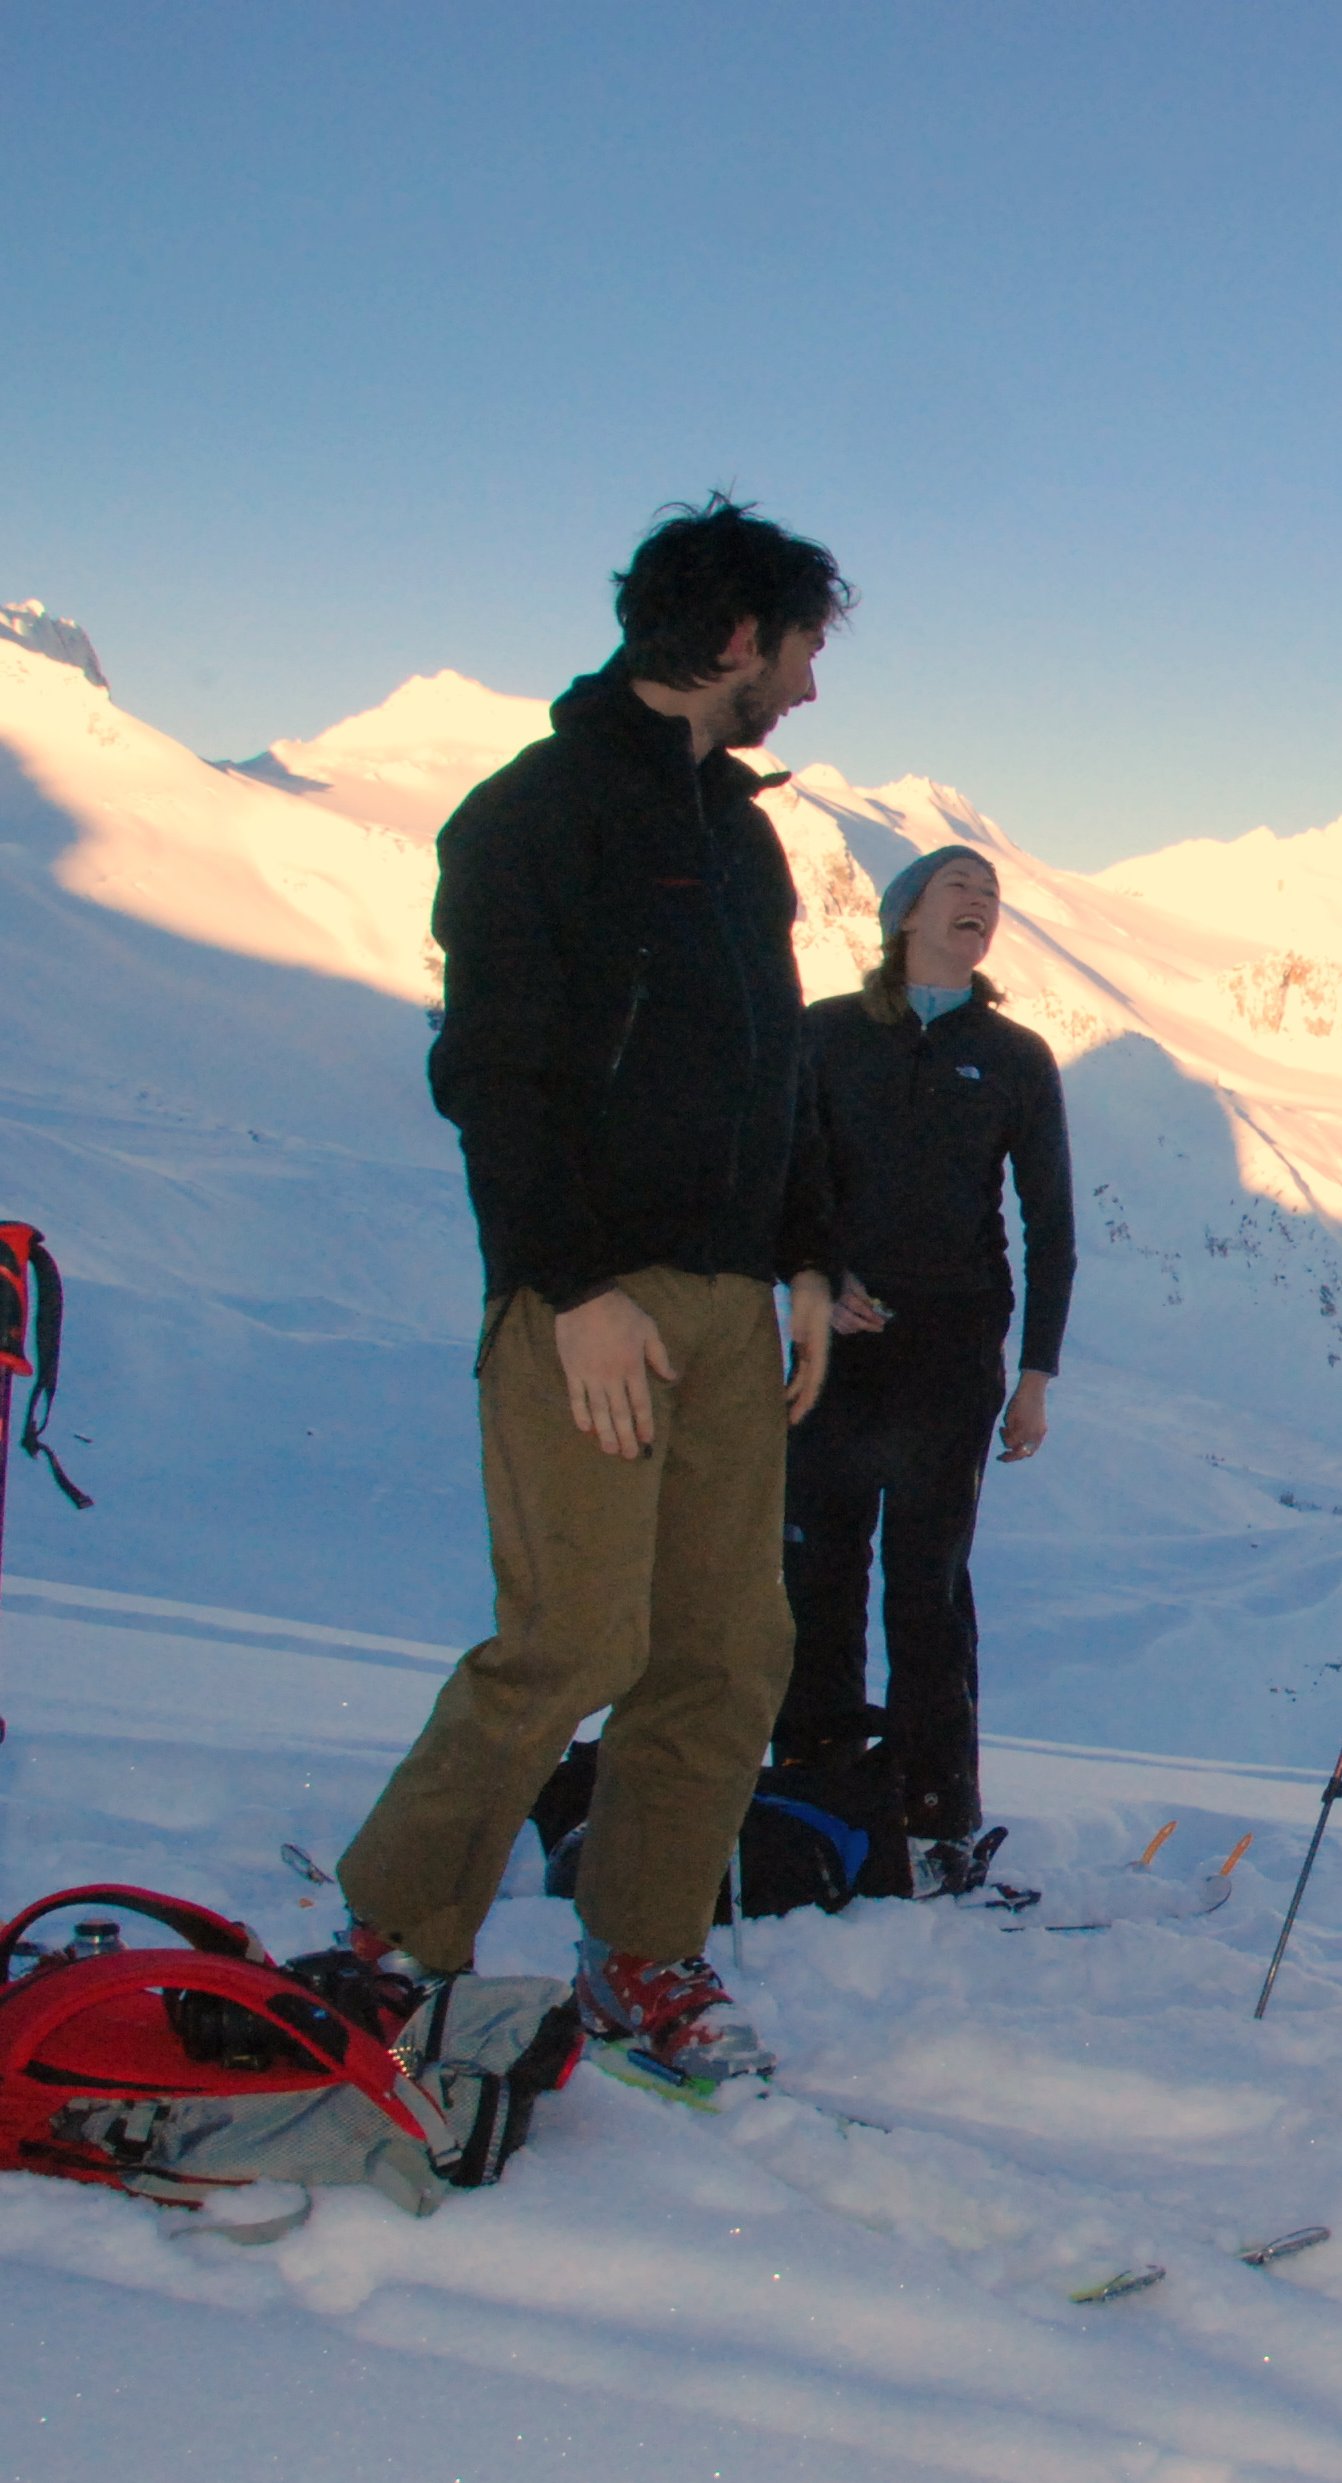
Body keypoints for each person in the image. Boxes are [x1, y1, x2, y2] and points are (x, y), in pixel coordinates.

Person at [334, 496, 850, 2089]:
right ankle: (387, 1949)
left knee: (725, 1652)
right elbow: (491, 1071)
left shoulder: (737, 826)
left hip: (723, 1304)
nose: (814, 692)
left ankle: (645, 1953)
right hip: (592, 1307)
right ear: (741, 639)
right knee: (569, 1643)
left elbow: (775, 1065)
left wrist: (808, 1258)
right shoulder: (533, 815)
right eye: (807, 651)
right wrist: (564, 1286)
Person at [778, 843, 1076, 1888]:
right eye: (960, 889)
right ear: (903, 914)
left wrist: (1035, 1370)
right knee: (814, 1566)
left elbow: (1049, 1218)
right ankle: (813, 1787)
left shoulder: (1014, 1055)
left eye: (992, 898)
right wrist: (814, 1272)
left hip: (953, 1349)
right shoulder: (822, 1036)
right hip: (835, 1342)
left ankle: (937, 1813)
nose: (981, 906)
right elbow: (782, 1171)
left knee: (928, 1584)